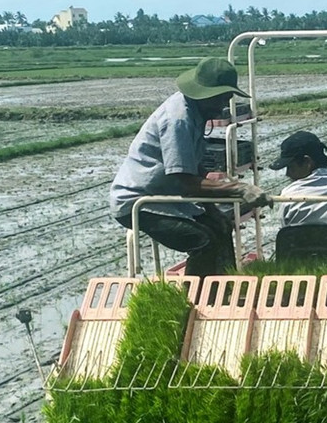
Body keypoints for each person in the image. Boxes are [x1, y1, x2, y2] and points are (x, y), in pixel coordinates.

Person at [109, 58, 260, 278]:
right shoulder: (178, 120)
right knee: (202, 241)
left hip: (165, 195)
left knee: (221, 227)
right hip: (139, 201)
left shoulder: (196, 112)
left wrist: (213, 211)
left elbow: (194, 169)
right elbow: (186, 183)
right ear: (207, 94)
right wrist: (239, 188)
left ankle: (225, 289)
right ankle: (196, 301)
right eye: (223, 97)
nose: (226, 103)